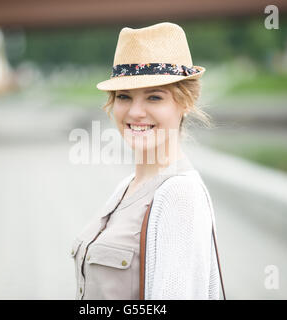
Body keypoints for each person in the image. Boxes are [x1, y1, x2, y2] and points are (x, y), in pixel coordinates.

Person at [70, 22, 222, 300]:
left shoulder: (178, 195)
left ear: (186, 101)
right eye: (124, 97)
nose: (135, 111)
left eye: (154, 97)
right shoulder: (128, 186)